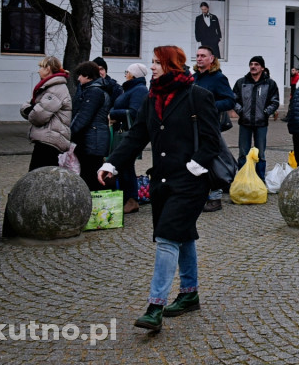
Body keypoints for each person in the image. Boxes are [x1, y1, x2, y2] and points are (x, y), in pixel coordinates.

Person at [97, 45, 220, 332]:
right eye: (152, 62)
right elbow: (137, 135)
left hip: (190, 183)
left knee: (167, 238)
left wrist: (193, 167)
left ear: (171, 65)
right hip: (162, 182)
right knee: (182, 235)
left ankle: (155, 306)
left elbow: (212, 141)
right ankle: (189, 294)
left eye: (157, 62)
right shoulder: (152, 97)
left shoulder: (198, 96)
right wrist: (112, 164)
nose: (151, 67)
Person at [193, 46, 236, 212]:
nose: (199, 58)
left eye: (203, 56)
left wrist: (209, 106)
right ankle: (200, 195)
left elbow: (230, 100)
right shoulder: (194, 77)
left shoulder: (218, 78)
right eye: (197, 55)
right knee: (197, 161)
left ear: (211, 59)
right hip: (194, 126)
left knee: (213, 161)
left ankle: (216, 197)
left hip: (210, 126)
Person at [109, 63, 150, 213]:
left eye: (127, 71)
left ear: (133, 74)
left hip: (128, 133)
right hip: (123, 130)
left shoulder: (139, 90)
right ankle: (128, 198)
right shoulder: (132, 88)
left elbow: (134, 112)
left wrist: (113, 114)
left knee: (126, 165)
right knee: (123, 165)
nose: (125, 74)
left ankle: (132, 199)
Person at [21, 56, 72, 172]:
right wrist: (31, 110)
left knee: (39, 175)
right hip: (47, 138)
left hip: (50, 140)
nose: (38, 70)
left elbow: (38, 116)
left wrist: (31, 110)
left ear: (48, 69)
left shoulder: (56, 89)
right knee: (39, 174)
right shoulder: (47, 87)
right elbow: (27, 107)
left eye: (41, 67)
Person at [233, 56, 279, 181]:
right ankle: (242, 180)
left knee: (260, 154)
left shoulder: (270, 83)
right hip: (245, 123)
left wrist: (265, 113)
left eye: (256, 64)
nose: (253, 66)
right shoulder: (241, 82)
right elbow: (233, 99)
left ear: (262, 68)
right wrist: (241, 111)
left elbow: (275, 102)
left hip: (261, 123)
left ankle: (260, 180)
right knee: (243, 153)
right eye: (251, 64)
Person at [70, 61, 113, 191]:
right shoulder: (94, 89)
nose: (78, 79)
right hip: (94, 139)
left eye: (80, 75)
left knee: (90, 176)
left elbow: (83, 116)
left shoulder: (94, 91)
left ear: (88, 76)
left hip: (92, 140)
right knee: (91, 174)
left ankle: (93, 202)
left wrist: (69, 133)